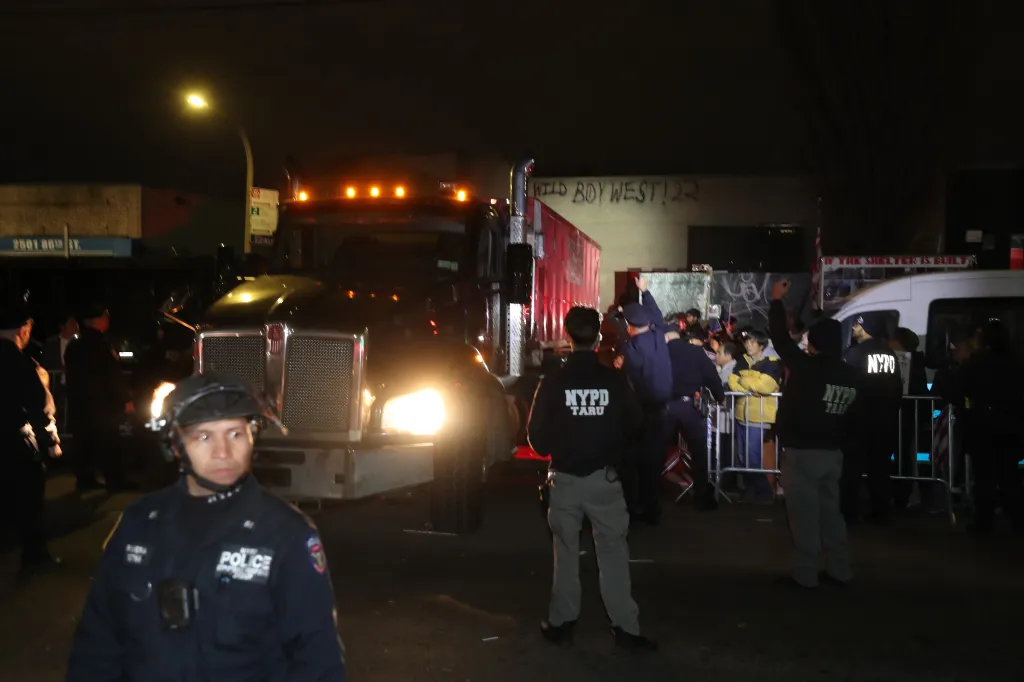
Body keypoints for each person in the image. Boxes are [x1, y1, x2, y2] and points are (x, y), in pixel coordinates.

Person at [65, 372, 347, 681]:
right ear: (175, 446)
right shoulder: (139, 522)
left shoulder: (287, 534)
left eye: (235, 434)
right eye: (203, 436)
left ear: (253, 437)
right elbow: (98, 642)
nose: (223, 452)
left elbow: (318, 660)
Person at [527, 307, 656, 651]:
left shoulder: (553, 382)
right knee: (613, 552)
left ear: (568, 338)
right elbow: (635, 423)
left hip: (565, 480)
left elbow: (536, 439)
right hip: (605, 479)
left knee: (565, 552)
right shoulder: (614, 380)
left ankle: (561, 623)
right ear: (598, 337)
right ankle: (626, 627)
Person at [768, 281, 865, 588]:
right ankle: (840, 568)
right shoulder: (852, 376)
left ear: (816, 343)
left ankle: (806, 573)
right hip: (833, 453)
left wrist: (776, 302)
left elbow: (781, 339)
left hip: (802, 452)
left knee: (803, 516)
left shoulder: (805, 367)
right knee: (831, 515)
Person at [0, 296, 62, 574]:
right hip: (15, 441)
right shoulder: (20, 362)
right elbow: (38, 407)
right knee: (28, 499)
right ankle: (35, 555)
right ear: (23, 330)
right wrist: (50, 443)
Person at [949, 320, 1024, 534]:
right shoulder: (1015, 364)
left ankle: (984, 522)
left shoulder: (975, 365)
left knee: (984, 479)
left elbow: (958, 392)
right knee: (1010, 477)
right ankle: (1018, 521)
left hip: (982, 428)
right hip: (1010, 428)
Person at [615, 276, 673, 524]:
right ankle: (652, 510)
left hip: (640, 413)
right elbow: (657, 316)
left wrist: (620, 365)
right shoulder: (659, 336)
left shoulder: (631, 348)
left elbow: (629, 378)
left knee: (631, 464)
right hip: (662, 412)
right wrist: (646, 292)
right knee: (652, 465)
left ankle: (633, 509)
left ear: (629, 326)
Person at [64, 303, 134, 492]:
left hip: (80, 403)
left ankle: (85, 479)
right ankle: (115, 480)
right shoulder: (101, 345)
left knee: (83, 443)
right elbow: (112, 376)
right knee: (110, 443)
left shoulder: (75, 346)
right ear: (99, 320)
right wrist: (125, 399)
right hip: (103, 405)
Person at [842, 313, 903, 523]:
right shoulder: (890, 354)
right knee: (880, 469)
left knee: (851, 469)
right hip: (884, 420)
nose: (853, 328)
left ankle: (849, 513)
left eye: (857, 324)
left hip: (859, 420)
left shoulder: (855, 354)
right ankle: (881, 512)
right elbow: (897, 388)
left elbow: (847, 386)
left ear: (866, 327)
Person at [665, 328, 725, 509]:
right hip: (690, 406)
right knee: (699, 453)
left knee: (656, 450)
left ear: (666, 337)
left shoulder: (660, 352)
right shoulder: (695, 352)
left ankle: (648, 497)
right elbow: (711, 376)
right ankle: (702, 497)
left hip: (664, 406)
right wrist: (720, 396)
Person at [728, 328, 783, 502]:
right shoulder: (742, 360)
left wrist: (744, 381)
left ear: (761, 344)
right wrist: (752, 385)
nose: (748, 345)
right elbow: (732, 382)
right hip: (742, 414)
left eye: (752, 342)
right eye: (746, 342)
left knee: (752, 456)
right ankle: (752, 490)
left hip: (760, 415)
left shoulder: (773, 361)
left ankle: (764, 492)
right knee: (743, 456)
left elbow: (766, 387)